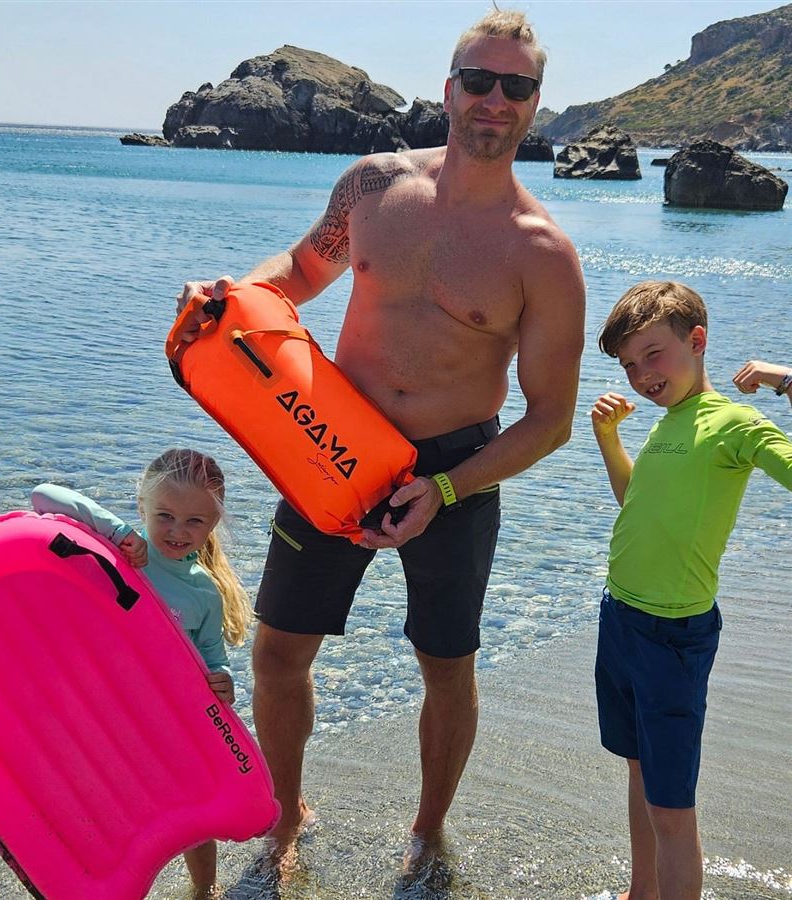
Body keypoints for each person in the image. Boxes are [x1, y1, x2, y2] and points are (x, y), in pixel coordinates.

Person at [176, 8, 585, 877]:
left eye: (516, 86)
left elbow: (550, 418)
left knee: (446, 663)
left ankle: (428, 831)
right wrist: (232, 296)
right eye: (479, 79)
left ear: (535, 102)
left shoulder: (544, 254)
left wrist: (446, 489)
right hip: (331, 448)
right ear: (450, 88)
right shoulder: (372, 187)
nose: (495, 99)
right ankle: (285, 817)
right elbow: (299, 273)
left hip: (455, 471)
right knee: (279, 652)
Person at [590, 281, 791, 900]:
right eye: (629, 364)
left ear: (696, 340)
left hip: (671, 634)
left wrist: (787, 379)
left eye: (652, 354)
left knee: (671, 806)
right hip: (620, 617)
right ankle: (640, 893)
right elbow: (636, 504)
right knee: (640, 772)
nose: (641, 375)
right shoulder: (670, 422)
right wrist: (609, 441)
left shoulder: (734, 424)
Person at [32, 448, 251, 900]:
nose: (177, 531)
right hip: (101, 717)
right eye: (164, 515)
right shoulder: (120, 552)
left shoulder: (202, 591)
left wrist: (222, 678)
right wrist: (118, 531)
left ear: (213, 524)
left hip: (164, 724)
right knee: (113, 814)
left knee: (191, 813)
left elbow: (211, 654)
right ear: (142, 506)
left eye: (195, 521)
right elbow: (43, 495)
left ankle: (204, 890)